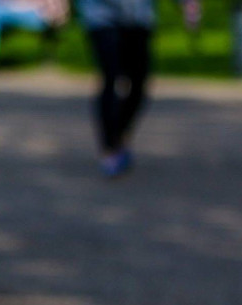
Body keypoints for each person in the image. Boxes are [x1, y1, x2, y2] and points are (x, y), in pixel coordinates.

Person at [78, 0, 200, 177]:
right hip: (100, 14)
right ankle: (110, 148)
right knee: (110, 76)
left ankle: (119, 135)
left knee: (139, 82)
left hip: (138, 16)